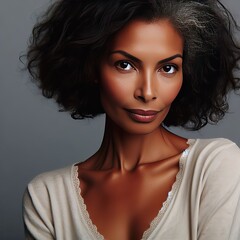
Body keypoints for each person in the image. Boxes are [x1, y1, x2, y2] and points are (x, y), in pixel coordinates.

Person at [23, 0, 240, 239]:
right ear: (91, 67)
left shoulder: (215, 166)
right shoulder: (47, 198)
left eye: (167, 68)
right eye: (125, 65)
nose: (147, 92)